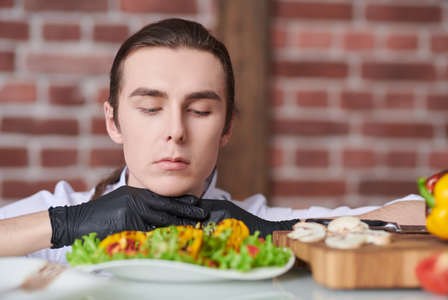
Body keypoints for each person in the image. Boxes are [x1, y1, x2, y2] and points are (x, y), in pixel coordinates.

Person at [0, 18, 425, 264]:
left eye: (200, 111)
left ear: (227, 128)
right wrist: (67, 224)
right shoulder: (56, 215)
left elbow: (425, 214)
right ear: (113, 122)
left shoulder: (252, 220)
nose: (176, 131)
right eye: (150, 108)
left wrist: (276, 233)